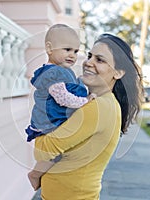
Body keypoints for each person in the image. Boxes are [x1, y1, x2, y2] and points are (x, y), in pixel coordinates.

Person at [31, 33, 144, 199]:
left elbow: (44, 150)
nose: (88, 62)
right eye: (90, 56)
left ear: (118, 73)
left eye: (100, 60)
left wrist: (39, 129)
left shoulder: (98, 107)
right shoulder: (99, 103)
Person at [26, 24, 96, 190]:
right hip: (50, 119)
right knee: (55, 153)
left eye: (75, 51)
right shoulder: (53, 73)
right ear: (49, 48)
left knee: (64, 151)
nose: (72, 55)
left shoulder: (61, 70)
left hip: (57, 117)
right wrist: (85, 101)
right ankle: (35, 174)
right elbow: (63, 97)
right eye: (67, 49)